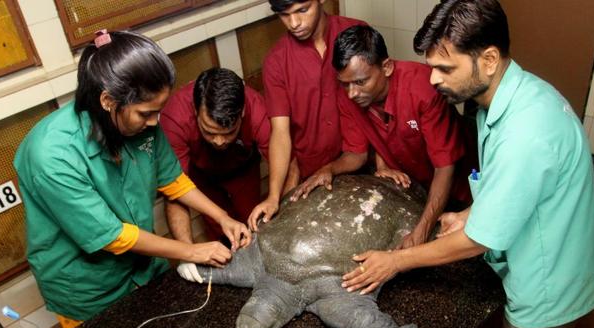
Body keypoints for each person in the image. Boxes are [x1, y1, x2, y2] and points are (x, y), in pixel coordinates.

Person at [341, 1, 594, 328]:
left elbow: (478, 241)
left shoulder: (526, 133)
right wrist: (467, 214)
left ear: (489, 60)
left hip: (547, 289)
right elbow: (520, 186)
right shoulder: (508, 98)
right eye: (432, 67)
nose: (433, 79)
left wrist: (394, 261)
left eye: (445, 69)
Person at [13, 30, 251, 328]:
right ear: (108, 100)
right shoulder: (52, 154)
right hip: (88, 289)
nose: (154, 122)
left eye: (158, 112)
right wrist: (192, 251)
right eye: (145, 113)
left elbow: (173, 181)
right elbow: (113, 236)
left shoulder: (141, 126)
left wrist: (222, 216)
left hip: (143, 266)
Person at [292, 25, 474, 249]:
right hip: (414, 189)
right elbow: (356, 154)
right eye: (344, 84)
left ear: (386, 67)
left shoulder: (423, 88)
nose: (352, 93)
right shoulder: (349, 95)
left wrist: (421, 231)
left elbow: (445, 167)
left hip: (459, 188)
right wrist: (328, 170)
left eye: (360, 82)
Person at [247, 0, 365, 231]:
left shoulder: (358, 34)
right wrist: (273, 196)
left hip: (362, 162)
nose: (294, 23)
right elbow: (280, 133)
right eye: (284, 15)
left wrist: (383, 164)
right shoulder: (276, 62)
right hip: (311, 175)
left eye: (302, 10)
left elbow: (378, 102)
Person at [160, 68, 274, 245]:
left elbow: (287, 164)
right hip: (202, 175)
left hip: (244, 169)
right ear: (196, 112)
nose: (219, 142)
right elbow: (174, 191)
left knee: (252, 221)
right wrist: (188, 252)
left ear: (242, 113)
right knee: (220, 230)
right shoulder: (175, 117)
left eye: (229, 133)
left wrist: (276, 203)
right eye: (209, 132)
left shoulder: (255, 107)